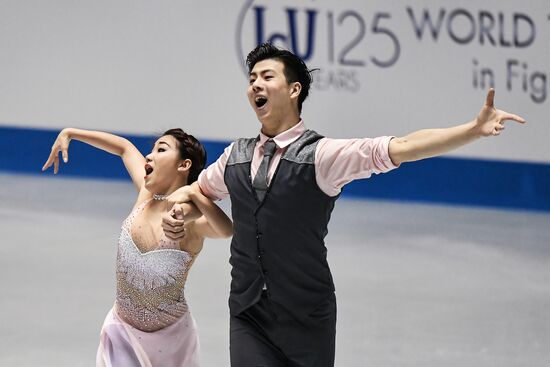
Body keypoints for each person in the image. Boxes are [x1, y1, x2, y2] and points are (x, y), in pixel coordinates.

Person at [163, 43, 526, 367]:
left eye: (267, 76)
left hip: (307, 315)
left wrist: (471, 130)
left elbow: (402, 147)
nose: (255, 84)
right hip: (248, 311)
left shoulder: (323, 156)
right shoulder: (234, 157)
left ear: (294, 90)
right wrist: (179, 208)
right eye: (252, 78)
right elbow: (199, 192)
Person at [42, 127, 233, 367]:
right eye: (151, 150)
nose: (149, 156)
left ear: (184, 165)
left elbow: (226, 229)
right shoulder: (145, 196)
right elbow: (124, 147)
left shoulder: (190, 224)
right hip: (122, 332)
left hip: (172, 342)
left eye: (161, 150)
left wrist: (193, 195)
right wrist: (70, 133)